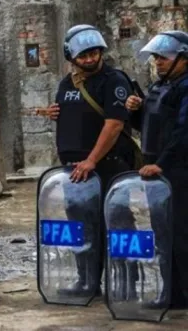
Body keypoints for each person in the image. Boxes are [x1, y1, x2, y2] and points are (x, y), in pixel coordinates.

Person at [39, 24, 137, 297]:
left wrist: (92, 160)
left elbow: (114, 125)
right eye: (84, 55)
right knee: (80, 227)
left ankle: (124, 285)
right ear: (71, 56)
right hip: (74, 170)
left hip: (106, 166)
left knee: (117, 225)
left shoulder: (114, 80)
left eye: (94, 53)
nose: (91, 59)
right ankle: (87, 282)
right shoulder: (67, 83)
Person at [125, 30, 188, 309]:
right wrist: (135, 110)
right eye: (156, 58)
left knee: (180, 233)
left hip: (177, 171)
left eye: (164, 58)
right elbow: (149, 128)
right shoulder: (158, 86)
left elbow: (183, 133)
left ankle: (182, 293)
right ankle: (171, 292)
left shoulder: (185, 87)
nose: (158, 62)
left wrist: (161, 165)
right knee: (162, 232)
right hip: (156, 171)